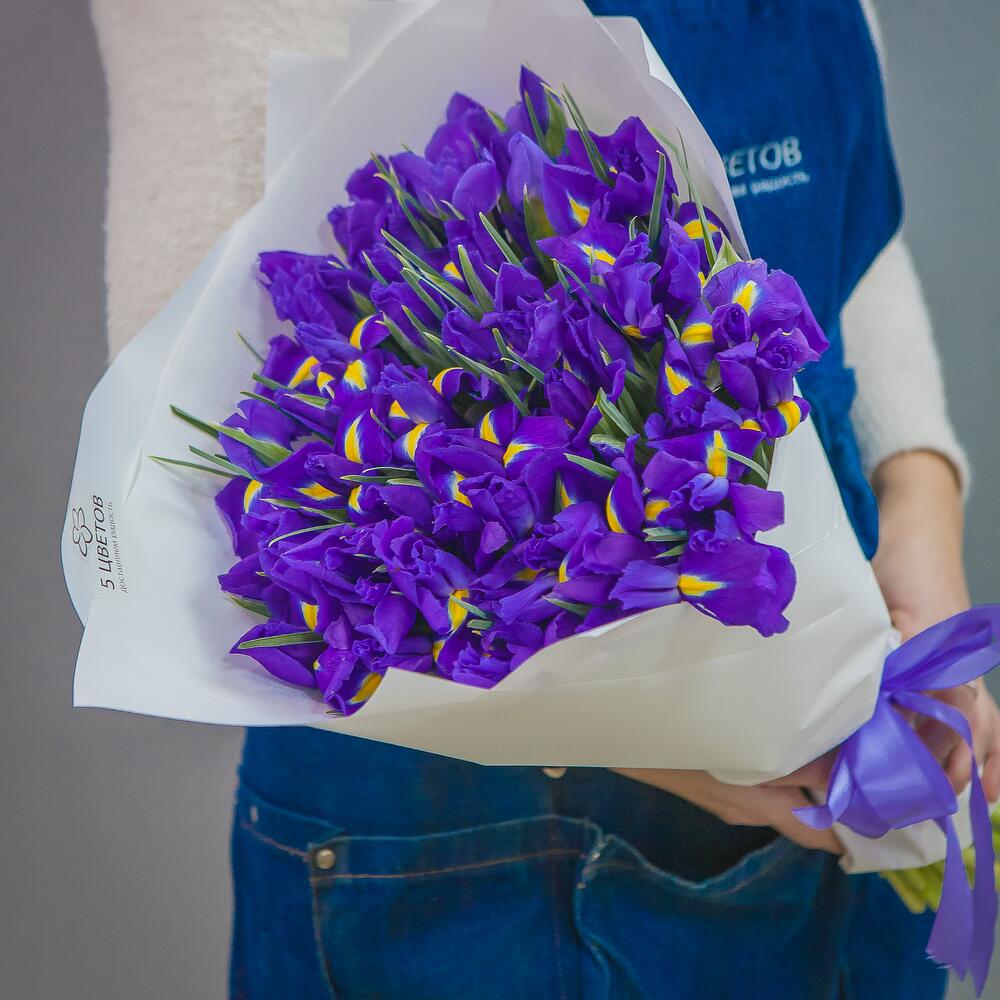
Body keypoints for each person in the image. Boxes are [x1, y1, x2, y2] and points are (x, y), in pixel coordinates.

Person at [91, 0, 1000, 996]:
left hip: (839, 687)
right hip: (474, 816)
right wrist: (661, 728)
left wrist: (918, 509)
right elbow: (208, 360)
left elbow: (833, 220)